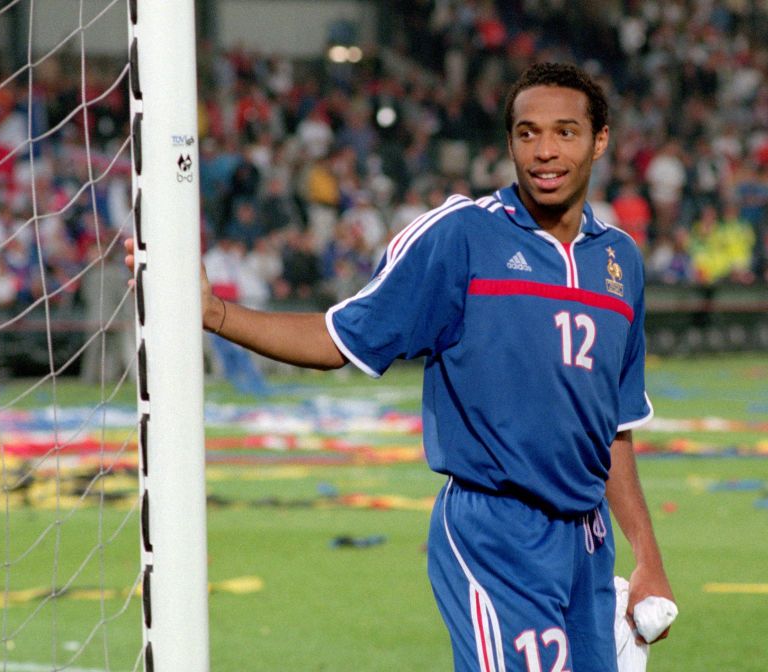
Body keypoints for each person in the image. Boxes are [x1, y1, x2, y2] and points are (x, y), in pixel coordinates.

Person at [126, 62, 675, 671]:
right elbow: (339, 337)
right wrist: (216, 315)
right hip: (496, 533)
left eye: (566, 132)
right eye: (527, 133)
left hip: (588, 543)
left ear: (600, 140)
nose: (544, 151)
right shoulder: (463, 237)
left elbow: (614, 428)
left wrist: (647, 558)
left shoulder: (619, 259)